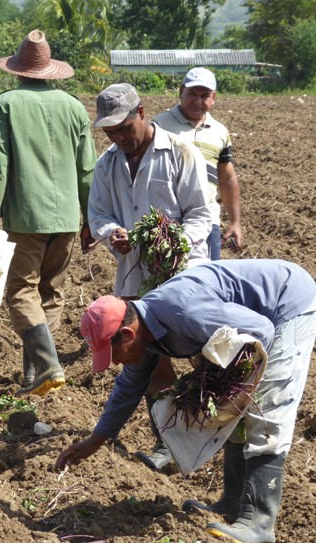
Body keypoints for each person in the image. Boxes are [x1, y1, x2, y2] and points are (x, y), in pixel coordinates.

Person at [55, 259, 316, 543]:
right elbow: (128, 387)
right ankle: (233, 506)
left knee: (266, 409)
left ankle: (259, 523)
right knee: (234, 411)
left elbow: (261, 330)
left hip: (286, 307)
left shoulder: (184, 312)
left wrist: (225, 377)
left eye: (115, 354)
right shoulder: (145, 333)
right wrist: (97, 439)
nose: (116, 363)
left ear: (128, 334)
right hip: (263, 316)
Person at [87, 82, 212, 471]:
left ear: (142, 113)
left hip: (181, 276)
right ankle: (168, 443)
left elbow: (201, 215)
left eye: (124, 127)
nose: (120, 138)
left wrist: (173, 241)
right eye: (111, 132)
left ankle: (211, 430)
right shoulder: (107, 163)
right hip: (134, 277)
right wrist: (113, 235)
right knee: (150, 363)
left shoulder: (179, 152)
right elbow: (98, 216)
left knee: (201, 356)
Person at [0, 30, 96, 396]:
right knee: (50, 292)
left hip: (25, 217)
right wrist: (91, 218)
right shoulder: (74, 107)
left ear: (17, 70)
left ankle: (47, 363)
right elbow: (87, 168)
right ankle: (34, 376)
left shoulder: (5, 104)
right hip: (66, 219)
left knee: (20, 292)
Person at [153, 68, 243, 259]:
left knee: (207, 283)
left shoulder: (219, 132)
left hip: (208, 220)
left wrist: (235, 222)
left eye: (205, 96)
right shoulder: (159, 126)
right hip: (168, 221)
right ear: (181, 92)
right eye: (192, 94)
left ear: (214, 97)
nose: (198, 101)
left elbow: (227, 178)